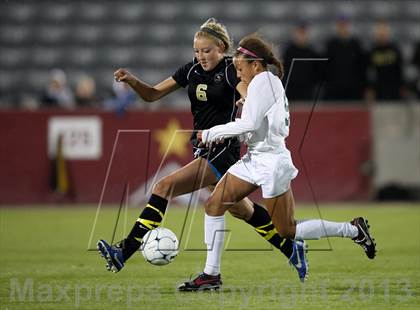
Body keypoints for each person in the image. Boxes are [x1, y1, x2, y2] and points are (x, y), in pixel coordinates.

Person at [97, 19, 304, 282]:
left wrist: (246, 99)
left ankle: (124, 251)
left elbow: (249, 91)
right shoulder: (191, 71)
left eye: (207, 50)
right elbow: (151, 95)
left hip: (223, 150)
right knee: (242, 210)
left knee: (163, 187)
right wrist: (133, 81)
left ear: (221, 48)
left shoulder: (231, 69)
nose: (201, 56)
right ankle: (291, 249)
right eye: (197, 51)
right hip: (203, 149)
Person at [178, 33, 377, 291]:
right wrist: (243, 108)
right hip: (255, 158)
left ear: (255, 65)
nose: (238, 75)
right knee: (214, 205)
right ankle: (211, 275)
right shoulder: (262, 83)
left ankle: (353, 230)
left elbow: (247, 126)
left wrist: (211, 133)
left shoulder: (264, 81)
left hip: (271, 162)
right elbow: (252, 127)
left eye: (240, 69)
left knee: (287, 230)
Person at [323, 15, 367, 101]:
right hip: (334, 91)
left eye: (345, 26)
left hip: (353, 90)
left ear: (348, 27)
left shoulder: (356, 45)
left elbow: (362, 68)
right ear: (337, 27)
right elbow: (325, 69)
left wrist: (363, 87)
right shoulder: (330, 45)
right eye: (341, 26)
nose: (343, 28)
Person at [366, 21, 405, 101]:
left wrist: (402, 86)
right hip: (378, 90)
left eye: (384, 31)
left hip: (394, 89)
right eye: (379, 32)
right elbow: (369, 72)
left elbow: (400, 69)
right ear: (375, 34)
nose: (382, 34)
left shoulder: (395, 50)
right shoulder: (372, 51)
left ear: (388, 33)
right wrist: (370, 88)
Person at [283, 22, 320, 101]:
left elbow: (316, 73)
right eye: (299, 32)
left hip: (307, 93)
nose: (301, 35)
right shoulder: (288, 52)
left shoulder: (312, 53)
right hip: (291, 93)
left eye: (303, 32)